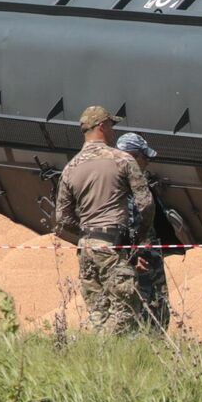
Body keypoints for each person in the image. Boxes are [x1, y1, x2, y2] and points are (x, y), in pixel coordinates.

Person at [54, 106, 153, 335]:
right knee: (125, 310)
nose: (113, 132)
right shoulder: (122, 159)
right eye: (111, 126)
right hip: (113, 245)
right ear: (102, 126)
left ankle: (94, 358)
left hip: (86, 247)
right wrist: (139, 237)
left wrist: (88, 234)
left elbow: (62, 217)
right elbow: (145, 203)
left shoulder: (71, 168)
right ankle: (110, 353)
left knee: (98, 312)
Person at [115, 132, 172, 331]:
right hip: (141, 259)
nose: (147, 162)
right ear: (131, 156)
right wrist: (133, 256)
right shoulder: (123, 186)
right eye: (143, 157)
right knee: (149, 309)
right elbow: (126, 224)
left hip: (146, 255)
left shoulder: (128, 181)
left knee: (157, 309)